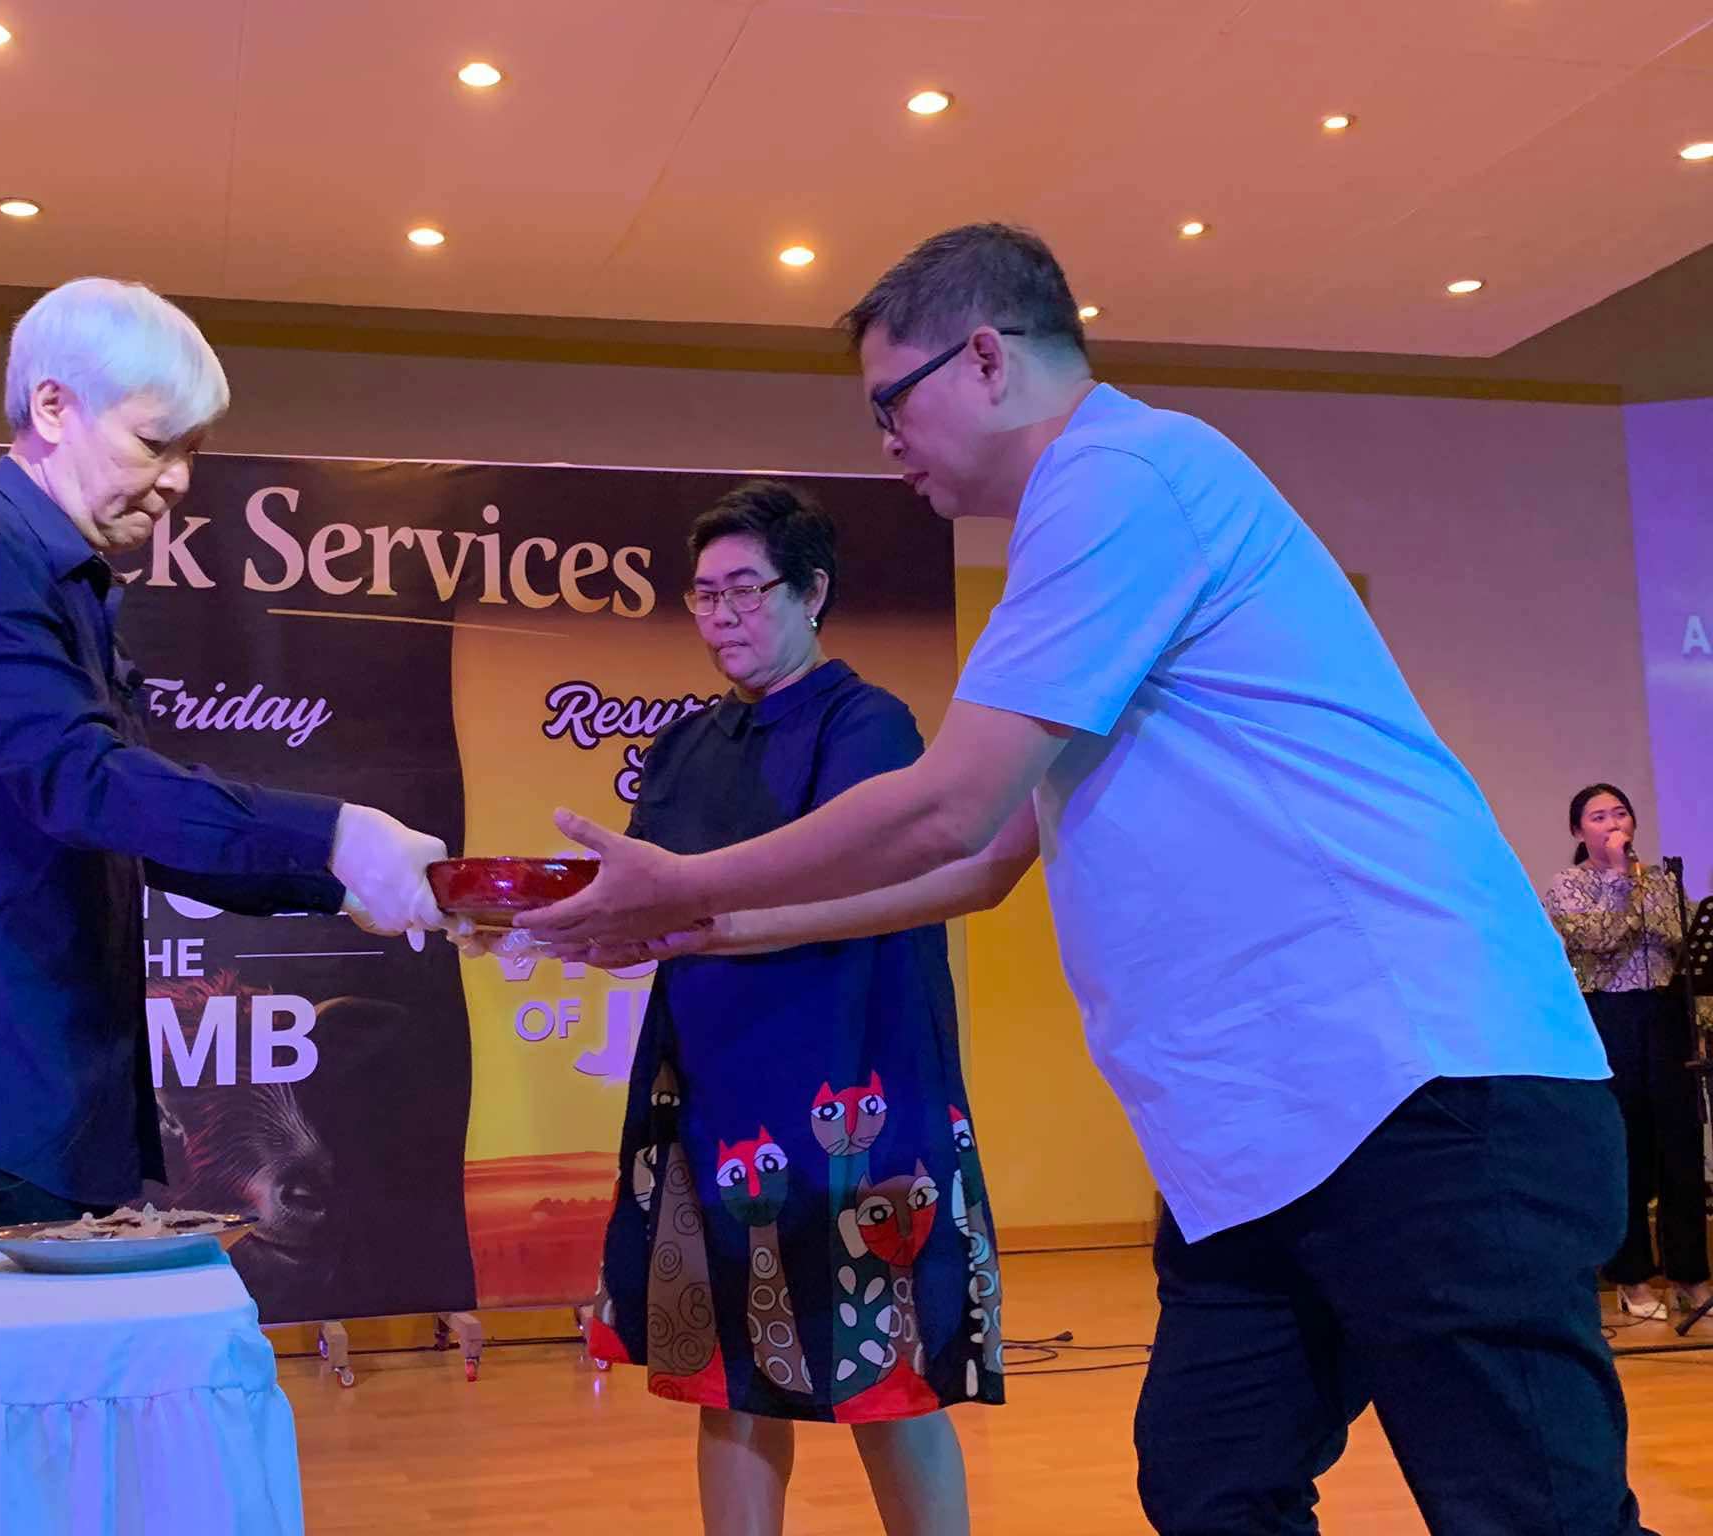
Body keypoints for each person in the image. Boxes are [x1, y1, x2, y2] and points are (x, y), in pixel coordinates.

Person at [527, 224, 1649, 1534]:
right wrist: (706, 928)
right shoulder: (1088, 527)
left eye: (891, 404)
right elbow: (982, 863)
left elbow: (947, 807)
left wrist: (676, 887)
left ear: (985, 359)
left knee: (1527, 1513)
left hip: (1419, 1086)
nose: (885, 445)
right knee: (1211, 1483)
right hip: (1265, 1139)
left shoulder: (1123, 477)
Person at [0, 278, 446, 1237]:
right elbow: (85, 786)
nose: (179, 481)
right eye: (156, 444)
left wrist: (345, 882)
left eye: (192, 452)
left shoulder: (53, 576)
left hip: (44, 1104)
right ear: (51, 407)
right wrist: (336, 833)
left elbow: (121, 827)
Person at [573, 482, 1013, 1536]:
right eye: (702, 593)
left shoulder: (869, 723)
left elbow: (852, 881)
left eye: (744, 589)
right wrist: (569, 925)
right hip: (712, 1088)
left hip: (853, 1086)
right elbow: (652, 901)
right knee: (725, 1376)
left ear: (811, 593)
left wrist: (702, 915)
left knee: (886, 1373)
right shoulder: (684, 744)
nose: (720, 614)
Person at [1543, 783, 1711, 1323]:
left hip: (1666, 1015)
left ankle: (1690, 1276)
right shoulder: (1569, 885)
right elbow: (1597, 939)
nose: (1613, 823)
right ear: (1578, 830)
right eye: (1598, 817)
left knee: (1682, 1149)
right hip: (1611, 1016)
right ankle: (1632, 1277)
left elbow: (1683, 938)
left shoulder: (1661, 879)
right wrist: (1618, 880)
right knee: (1628, 1148)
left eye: (1621, 813)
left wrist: (1640, 889)